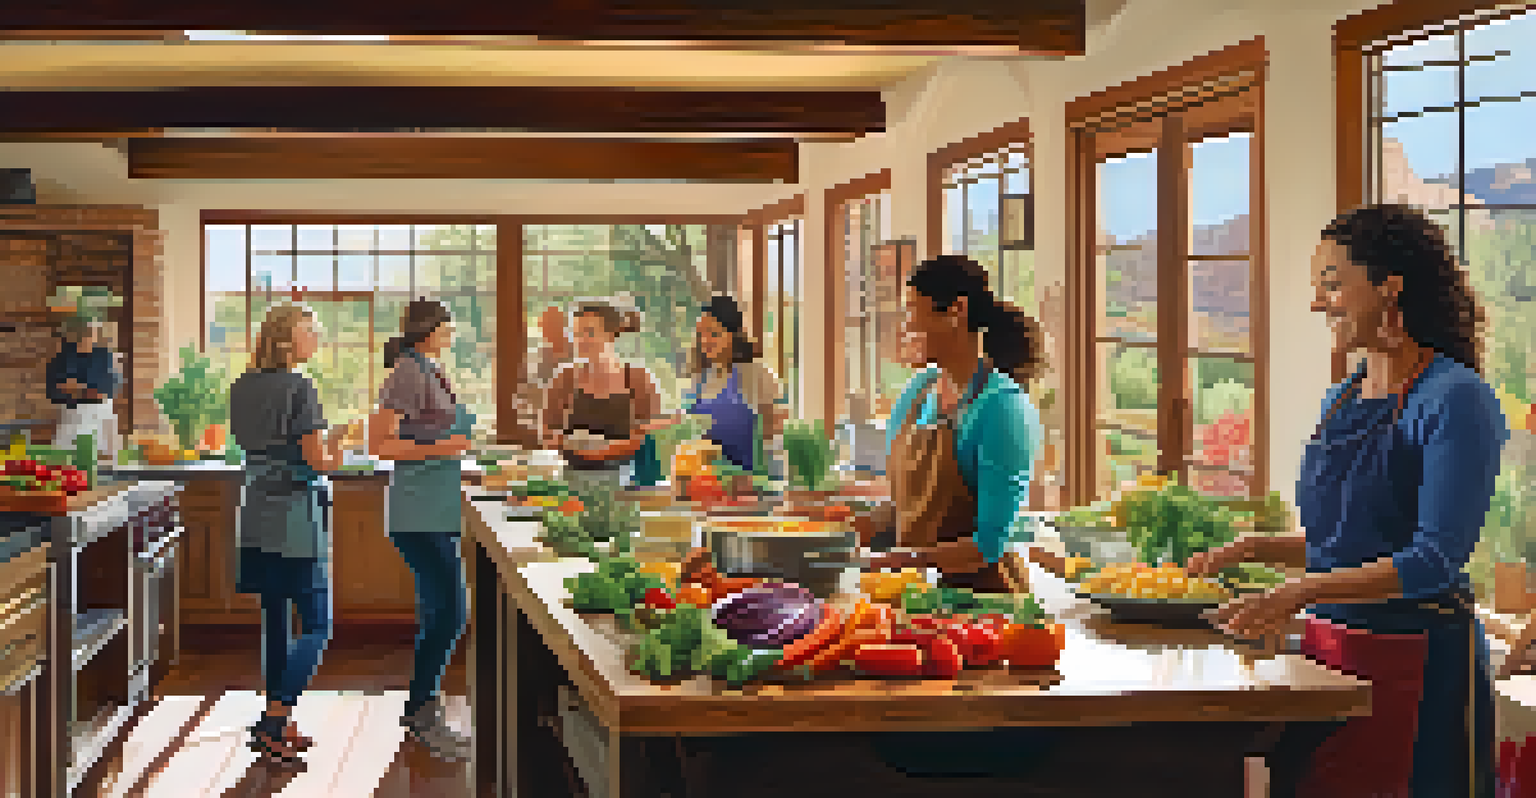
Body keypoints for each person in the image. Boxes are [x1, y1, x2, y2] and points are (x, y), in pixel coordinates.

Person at [1187, 204, 1505, 798]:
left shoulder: (1455, 398)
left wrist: (1300, 591)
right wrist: (1254, 549)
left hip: (1418, 664)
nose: (1318, 303)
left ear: (1390, 286)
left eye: (1332, 284)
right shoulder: (1342, 397)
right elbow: (1350, 544)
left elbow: (1432, 561)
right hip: (1328, 656)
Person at [862, 255, 1045, 592]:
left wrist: (902, 560)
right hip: (915, 595)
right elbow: (908, 505)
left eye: (912, 311)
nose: (905, 327)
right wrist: (845, 528)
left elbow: (987, 546)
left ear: (956, 311)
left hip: (984, 602)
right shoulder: (917, 391)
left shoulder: (1002, 407)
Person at [228, 302, 342, 770]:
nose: (316, 336)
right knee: (317, 624)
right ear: (284, 339)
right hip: (294, 515)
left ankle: (279, 723)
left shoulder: (242, 385)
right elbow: (318, 460)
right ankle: (275, 720)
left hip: (256, 511)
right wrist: (339, 444)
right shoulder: (300, 387)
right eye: (308, 329)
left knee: (275, 620)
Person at [369, 298, 476, 761]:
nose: (451, 333)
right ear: (429, 329)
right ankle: (420, 712)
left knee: (441, 612)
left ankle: (423, 711)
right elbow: (379, 444)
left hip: (435, 507)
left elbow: (426, 435)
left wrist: (455, 455)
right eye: (446, 326)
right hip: (417, 513)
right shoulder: (408, 372)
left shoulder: (428, 369)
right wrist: (446, 448)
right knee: (451, 612)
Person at [542, 298, 665, 489]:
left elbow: (647, 437)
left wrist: (596, 450)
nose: (581, 340)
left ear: (611, 334)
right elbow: (547, 433)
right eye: (576, 334)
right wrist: (566, 442)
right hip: (573, 481)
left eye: (589, 333)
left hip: (627, 483)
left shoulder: (639, 379)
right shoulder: (564, 378)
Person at [686, 294, 784, 473]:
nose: (705, 341)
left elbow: (775, 438)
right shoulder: (699, 380)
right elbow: (694, 438)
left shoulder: (756, 375)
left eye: (714, 334)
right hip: (708, 480)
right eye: (701, 334)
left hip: (751, 480)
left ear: (733, 335)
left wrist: (771, 478)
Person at [47, 316, 121, 458]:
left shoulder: (104, 356)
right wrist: (81, 389)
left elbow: (108, 388)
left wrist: (78, 388)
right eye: (86, 332)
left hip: (99, 415)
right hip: (72, 416)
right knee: (66, 458)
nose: (89, 336)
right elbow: (53, 389)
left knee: (101, 457)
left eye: (93, 332)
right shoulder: (64, 357)